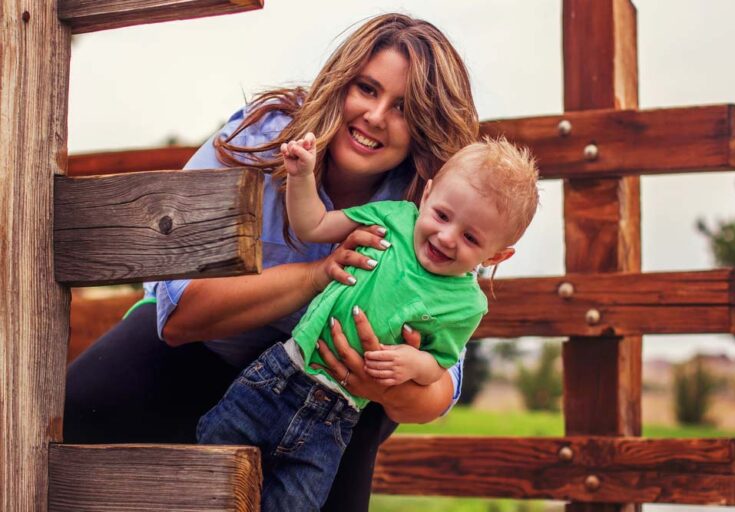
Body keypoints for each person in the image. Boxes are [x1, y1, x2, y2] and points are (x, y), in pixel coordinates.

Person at [64, 13, 480, 512]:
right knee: (76, 411)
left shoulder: (432, 205)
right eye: (367, 89)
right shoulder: (268, 137)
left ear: (425, 130)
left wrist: (388, 383)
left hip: (332, 392)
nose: (374, 116)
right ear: (341, 82)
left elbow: (440, 386)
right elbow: (178, 317)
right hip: (206, 351)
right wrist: (316, 275)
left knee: (354, 428)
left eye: (404, 109)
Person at [197, 136, 539, 510]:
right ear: (426, 196)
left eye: (471, 237)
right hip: (280, 375)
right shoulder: (392, 218)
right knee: (209, 468)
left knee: (293, 503)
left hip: (334, 419)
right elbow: (314, 224)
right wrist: (301, 176)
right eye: (442, 215)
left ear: (498, 255)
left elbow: (438, 363)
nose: (446, 237)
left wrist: (413, 364)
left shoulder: (465, 304)